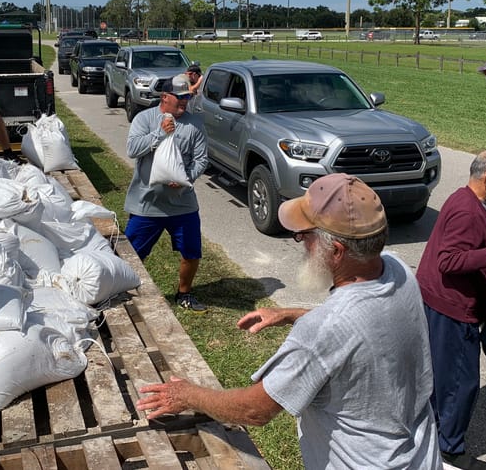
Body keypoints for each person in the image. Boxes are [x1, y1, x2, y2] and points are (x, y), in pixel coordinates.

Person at [136, 174, 443, 470]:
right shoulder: (397, 269)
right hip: (420, 455)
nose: (300, 243)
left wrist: (188, 395)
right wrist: (291, 314)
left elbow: (255, 410)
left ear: (336, 251)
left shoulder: (324, 329)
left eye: (304, 235)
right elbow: (364, 327)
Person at [416, 149, 486, 468]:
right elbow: (448, 261)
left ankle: (434, 435)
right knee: (461, 382)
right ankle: (449, 450)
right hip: (451, 307)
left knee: (440, 376)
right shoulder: (467, 211)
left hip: (435, 300)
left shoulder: (464, 200)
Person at [124, 73, 210, 311]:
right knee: (131, 253)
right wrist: (160, 133)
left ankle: (184, 294)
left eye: (187, 97)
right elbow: (132, 150)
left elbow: (202, 159)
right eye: (180, 97)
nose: (185, 101)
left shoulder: (196, 123)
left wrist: (186, 178)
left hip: (183, 204)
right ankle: (123, 291)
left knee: (191, 252)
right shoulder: (144, 119)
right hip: (147, 203)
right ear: (165, 96)